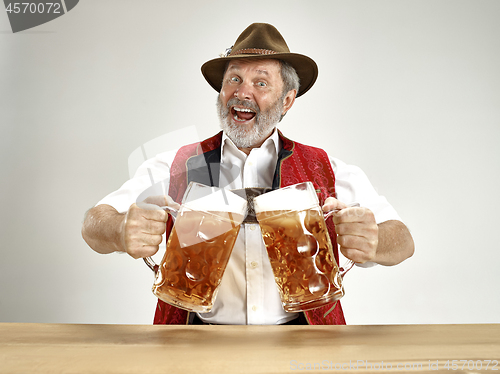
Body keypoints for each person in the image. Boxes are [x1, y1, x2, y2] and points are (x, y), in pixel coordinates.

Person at [81, 23, 414, 326]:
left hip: (304, 345)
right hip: (192, 345)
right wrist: (121, 229)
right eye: (234, 79)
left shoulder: (326, 169)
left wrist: (374, 241)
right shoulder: (176, 165)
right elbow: (94, 224)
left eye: (261, 83)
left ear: (287, 101)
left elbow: (402, 241)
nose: (242, 92)